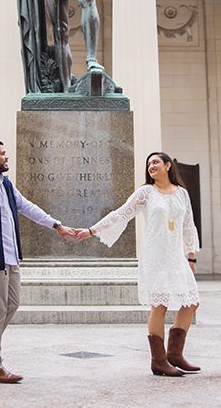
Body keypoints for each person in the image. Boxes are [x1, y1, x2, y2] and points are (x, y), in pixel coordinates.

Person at [0, 139, 78, 383]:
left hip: (11, 256)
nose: (7, 157)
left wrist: (56, 225)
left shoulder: (5, 184)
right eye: (3, 153)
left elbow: (27, 207)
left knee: (12, 304)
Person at [76, 152, 201, 377]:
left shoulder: (182, 193)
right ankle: (159, 360)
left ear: (168, 166)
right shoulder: (145, 193)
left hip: (175, 256)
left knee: (191, 303)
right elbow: (121, 214)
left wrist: (191, 256)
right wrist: (92, 230)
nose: (151, 166)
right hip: (155, 256)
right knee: (159, 305)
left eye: (155, 162)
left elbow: (188, 225)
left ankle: (174, 354)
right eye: (149, 163)